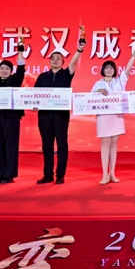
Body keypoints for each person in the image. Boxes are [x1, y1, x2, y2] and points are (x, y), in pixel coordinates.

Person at [34, 34, 84, 184]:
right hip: (44, 115)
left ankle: (60, 174)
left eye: (58, 59)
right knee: (47, 145)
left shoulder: (66, 74)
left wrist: (79, 50)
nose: (55, 61)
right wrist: (34, 104)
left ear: (63, 62)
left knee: (62, 144)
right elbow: (34, 94)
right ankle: (47, 174)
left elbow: (74, 62)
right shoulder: (42, 77)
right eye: (53, 59)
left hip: (61, 115)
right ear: (49, 61)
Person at [92, 49, 135, 185]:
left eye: (111, 68)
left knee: (114, 143)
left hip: (117, 116)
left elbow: (128, 68)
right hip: (103, 117)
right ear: (103, 70)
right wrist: (98, 92)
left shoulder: (120, 81)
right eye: (106, 68)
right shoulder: (98, 84)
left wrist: (134, 55)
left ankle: (112, 173)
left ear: (114, 70)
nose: (109, 70)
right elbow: (90, 100)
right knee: (105, 143)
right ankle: (104, 174)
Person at [0, 45, 26, 184]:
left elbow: (21, 69)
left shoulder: (15, 80)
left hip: (11, 118)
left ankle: (8, 175)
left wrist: (20, 53)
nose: (4, 71)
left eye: (7, 69)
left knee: (10, 146)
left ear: (11, 71)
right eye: (2, 68)